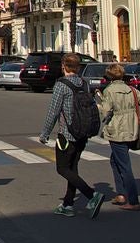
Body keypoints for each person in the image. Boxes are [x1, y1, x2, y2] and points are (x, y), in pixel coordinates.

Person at [39, 53, 103, 218]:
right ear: (78, 67)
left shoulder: (61, 85)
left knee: (62, 168)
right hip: (82, 132)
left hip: (67, 134)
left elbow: (53, 111)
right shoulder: (84, 83)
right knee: (72, 168)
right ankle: (68, 204)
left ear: (63, 66)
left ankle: (92, 195)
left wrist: (45, 133)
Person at [98, 63, 140, 211]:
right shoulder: (131, 89)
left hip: (117, 130)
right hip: (131, 129)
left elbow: (105, 112)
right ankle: (121, 194)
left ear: (109, 76)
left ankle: (133, 200)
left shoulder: (109, 90)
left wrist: (98, 104)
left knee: (124, 166)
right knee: (115, 161)